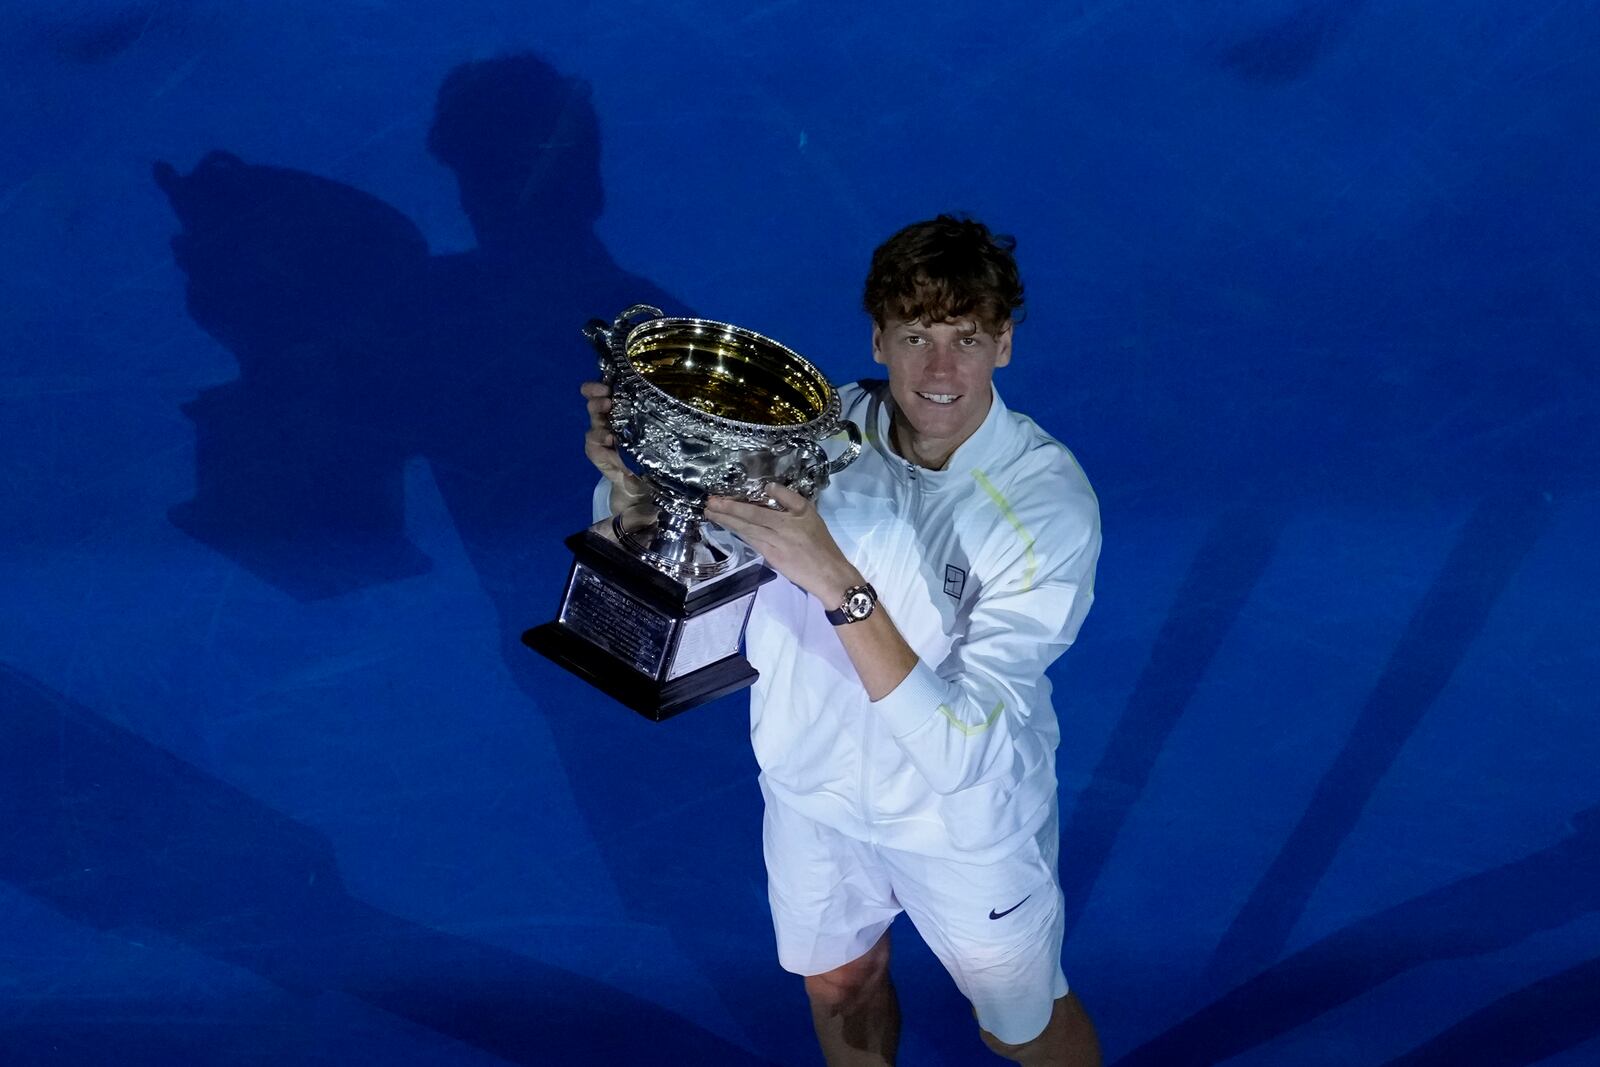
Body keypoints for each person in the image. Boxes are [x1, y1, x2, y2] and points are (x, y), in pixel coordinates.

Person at [582, 215, 1103, 1065]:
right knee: (839, 985)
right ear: (878, 338)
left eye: (966, 338)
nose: (940, 370)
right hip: (810, 795)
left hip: (960, 821)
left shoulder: (1046, 505)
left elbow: (967, 752)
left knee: (1022, 1026)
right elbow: (686, 595)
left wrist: (834, 579)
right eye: (915, 336)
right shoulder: (803, 438)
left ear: (1004, 345)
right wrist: (633, 492)